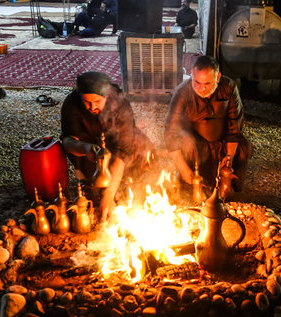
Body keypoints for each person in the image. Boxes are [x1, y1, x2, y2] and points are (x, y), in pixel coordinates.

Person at [61, 71, 155, 221]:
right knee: (93, 177)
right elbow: (67, 141)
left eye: (97, 102)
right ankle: (88, 178)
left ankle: (124, 181)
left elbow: (123, 151)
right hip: (90, 151)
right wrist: (85, 149)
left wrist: (108, 195)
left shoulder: (120, 104)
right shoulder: (71, 104)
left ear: (107, 96)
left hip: (117, 148)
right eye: (87, 102)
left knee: (139, 147)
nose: (92, 107)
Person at [165, 55, 252, 198]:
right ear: (192, 74)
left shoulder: (228, 87)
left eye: (207, 84)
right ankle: (192, 183)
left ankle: (229, 186)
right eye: (197, 82)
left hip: (222, 139)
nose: (202, 88)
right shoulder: (182, 92)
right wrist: (183, 167)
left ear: (217, 78)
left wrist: (228, 160)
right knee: (188, 146)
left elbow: (234, 126)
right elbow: (170, 132)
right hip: (196, 142)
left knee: (243, 148)